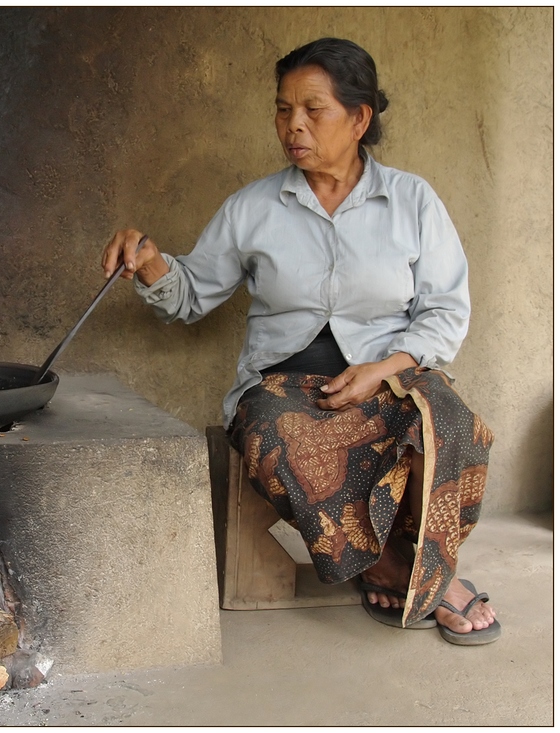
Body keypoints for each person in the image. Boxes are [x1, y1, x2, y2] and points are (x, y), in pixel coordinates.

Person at [101, 37, 499, 645]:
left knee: (452, 423)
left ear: (360, 118)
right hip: (285, 388)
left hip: (390, 376)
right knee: (275, 436)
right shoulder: (253, 207)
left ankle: (416, 557)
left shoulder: (413, 201)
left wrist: (382, 369)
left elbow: (445, 312)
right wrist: (152, 263)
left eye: (314, 110)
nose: (294, 126)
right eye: (284, 109)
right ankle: (407, 573)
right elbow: (188, 297)